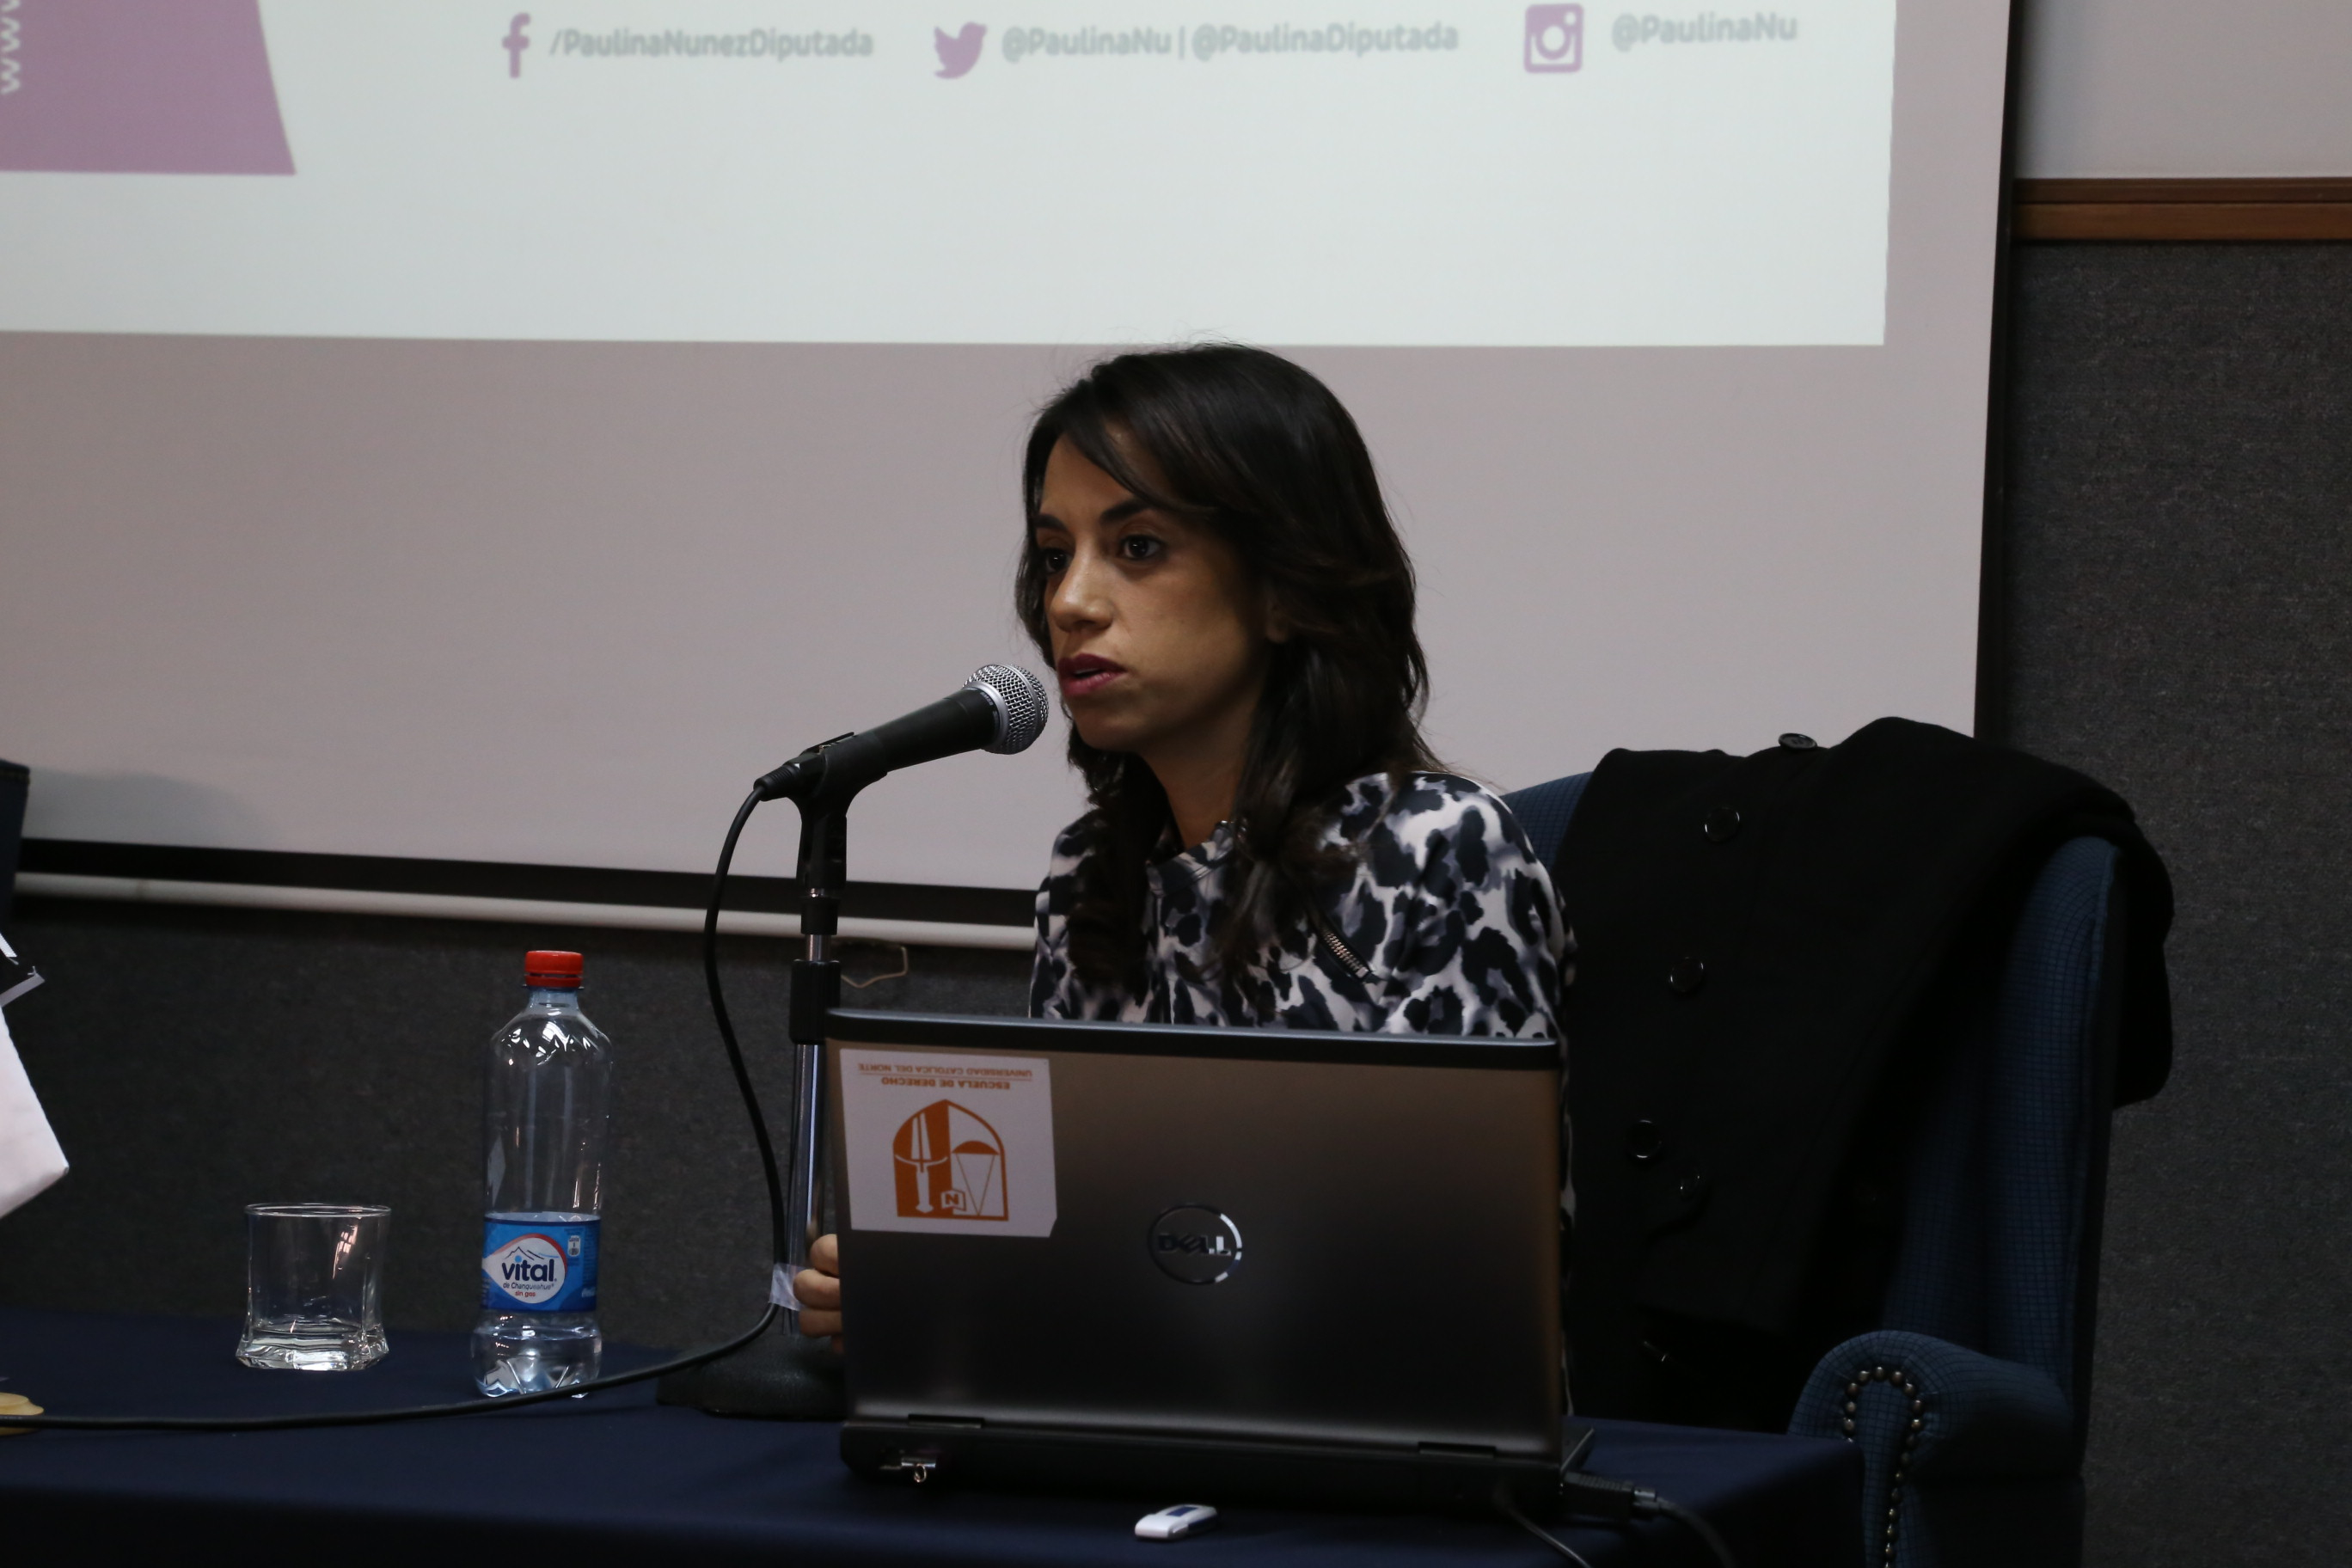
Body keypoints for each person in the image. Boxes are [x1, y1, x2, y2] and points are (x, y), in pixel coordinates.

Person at [792, 344, 1570, 1344]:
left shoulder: (1435, 850)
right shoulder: (1090, 874)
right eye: (1054, 555)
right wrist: (934, 1293)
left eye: (1139, 546)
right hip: (1139, 1410)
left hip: (1383, 1424)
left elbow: (1469, 1280)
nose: (1069, 602)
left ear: (1286, 587)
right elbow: (1083, 1248)